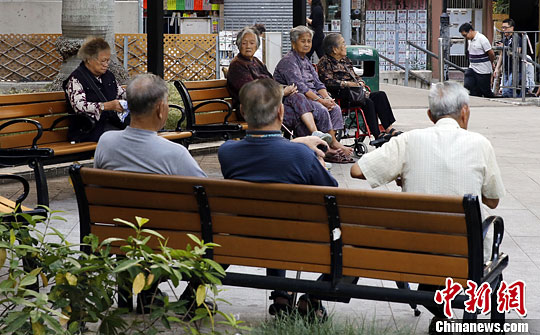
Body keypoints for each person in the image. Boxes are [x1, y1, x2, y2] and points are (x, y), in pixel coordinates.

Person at [350, 81, 505, 334]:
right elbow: (493, 200)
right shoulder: (480, 144)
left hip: (415, 253)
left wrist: (401, 174)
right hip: (466, 254)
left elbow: (357, 170)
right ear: (465, 111)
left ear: (430, 115)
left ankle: (438, 309)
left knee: (429, 251)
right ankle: (442, 310)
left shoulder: (409, 141)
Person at [218, 78, 337, 318]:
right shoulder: (301, 156)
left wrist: (296, 145)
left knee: (269, 218)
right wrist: (320, 163)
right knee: (281, 223)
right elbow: (331, 192)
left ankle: (282, 295)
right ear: (281, 111)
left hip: (244, 234)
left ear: (242, 111)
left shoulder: (227, 152)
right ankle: (311, 299)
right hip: (297, 241)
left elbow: (265, 155)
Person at [94, 73, 207, 314]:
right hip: (166, 240)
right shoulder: (174, 154)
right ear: (161, 109)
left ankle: (148, 289)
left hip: (117, 235)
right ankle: (187, 297)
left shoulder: (105, 142)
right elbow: (207, 197)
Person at [274, 25, 353, 162]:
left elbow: (318, 83)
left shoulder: (306, 61)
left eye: (309, 41)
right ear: (294, 43)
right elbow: (300, 87)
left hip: (311, 97)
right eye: (303, 41)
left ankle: (331, 143)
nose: (306, 44)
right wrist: (321, 101)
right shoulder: (289, 61)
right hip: (295, 100)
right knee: (321, 109)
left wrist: (327, 98)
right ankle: (328, 146)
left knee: (334, 108)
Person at [226, 25, 315, 135]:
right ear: (239, 45)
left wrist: (285, 89)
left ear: (257, 46)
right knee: (295, 114)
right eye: (244, 43)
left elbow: (272, 82)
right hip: (252, 109)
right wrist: (281, 92)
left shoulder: (256, 61)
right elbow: (251, 92)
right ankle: (307, 145)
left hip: (268, 104)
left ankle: (314, 137)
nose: (248, 46)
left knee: (297, 96)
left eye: (252, 43)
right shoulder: (237, 65)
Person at [317, 33, 401, 144]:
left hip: (356, 92)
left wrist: (360, 82)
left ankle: (388, 128)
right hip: (341, 95)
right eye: (343, 43)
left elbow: (355, 76)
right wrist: (347, 84)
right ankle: (377, 135)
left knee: (380, 95)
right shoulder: (325, 62)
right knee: (367, 102)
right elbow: (328, 82)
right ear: (334, 49)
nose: (345, 46)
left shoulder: (345, 60)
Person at [63, 36, 129, 142]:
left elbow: (121, 93)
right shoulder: (76, 78)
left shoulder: (108, 76)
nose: (106, 64)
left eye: (108, 61)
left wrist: (139, 96)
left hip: (110, 125)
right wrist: (105, 106)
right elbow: (79, 106)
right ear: (89, 59)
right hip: (87, 130)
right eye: (103, 61)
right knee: (123, 139)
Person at [459, 23, 496, 98]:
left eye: (465, 35)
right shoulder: (470, 40)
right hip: (473, 67)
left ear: (470, 31)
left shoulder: (482, 39)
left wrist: (491, 62)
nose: (465, 37)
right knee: (468, 84)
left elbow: (491, 53)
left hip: (483, 69)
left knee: (485, 91)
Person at [494, 19, 522, 97]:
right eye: (502, 28)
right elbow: (501, 55)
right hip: (506, 69)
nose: (504, 30)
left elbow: (517, 53)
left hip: (515, 69)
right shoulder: (505, 39)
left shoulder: (516, 38)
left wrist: (506, 48)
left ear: (512, 28)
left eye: (505, 27)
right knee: (504, 92)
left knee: (507, 90)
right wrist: (497, 68)